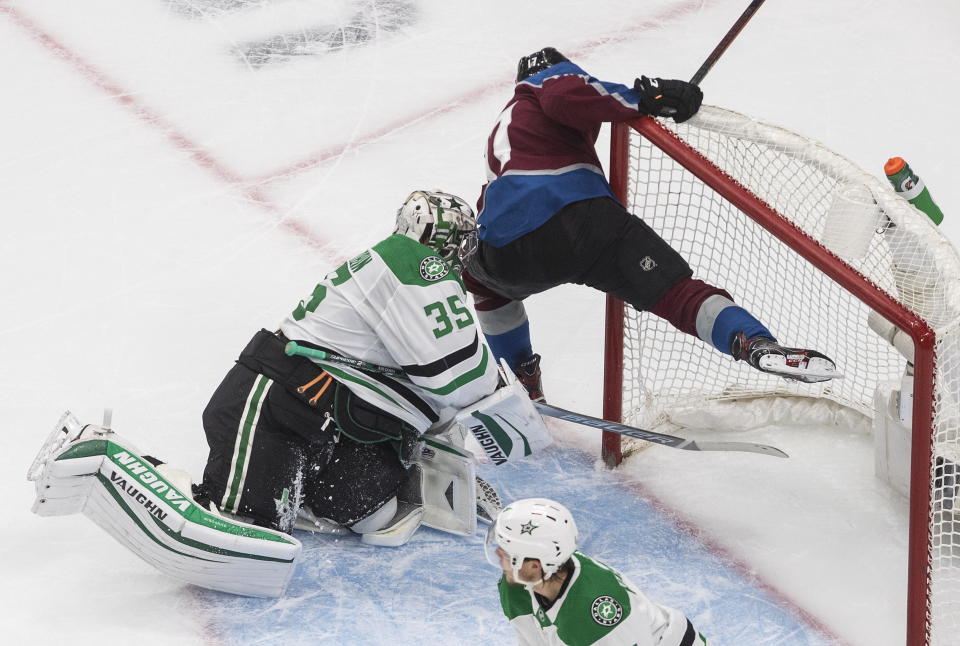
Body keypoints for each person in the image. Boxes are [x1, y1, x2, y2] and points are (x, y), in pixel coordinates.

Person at [29, 190, 549, 597]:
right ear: (446, 242)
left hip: (335, 427)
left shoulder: (402, 280)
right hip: (279, 402)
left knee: (381, 518)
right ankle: (106, 450)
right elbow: (464, 376)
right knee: (246, 534)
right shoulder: (411, 263)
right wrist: (511, 412)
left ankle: (287, 490)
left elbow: (434, 388)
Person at [461, 47, 838, 401]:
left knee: (487, 287)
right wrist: (644, 99)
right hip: (580, 216)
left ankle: (520, 382)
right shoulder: (546, 80)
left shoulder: (506, 130)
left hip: (505, 243)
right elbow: (566, 97)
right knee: (677, 294)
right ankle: (752, 342)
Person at [486, 498, 708, 646]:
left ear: (535, 565)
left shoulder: (593, 616)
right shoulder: (517, 586)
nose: (498, 555)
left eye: (506, 552)